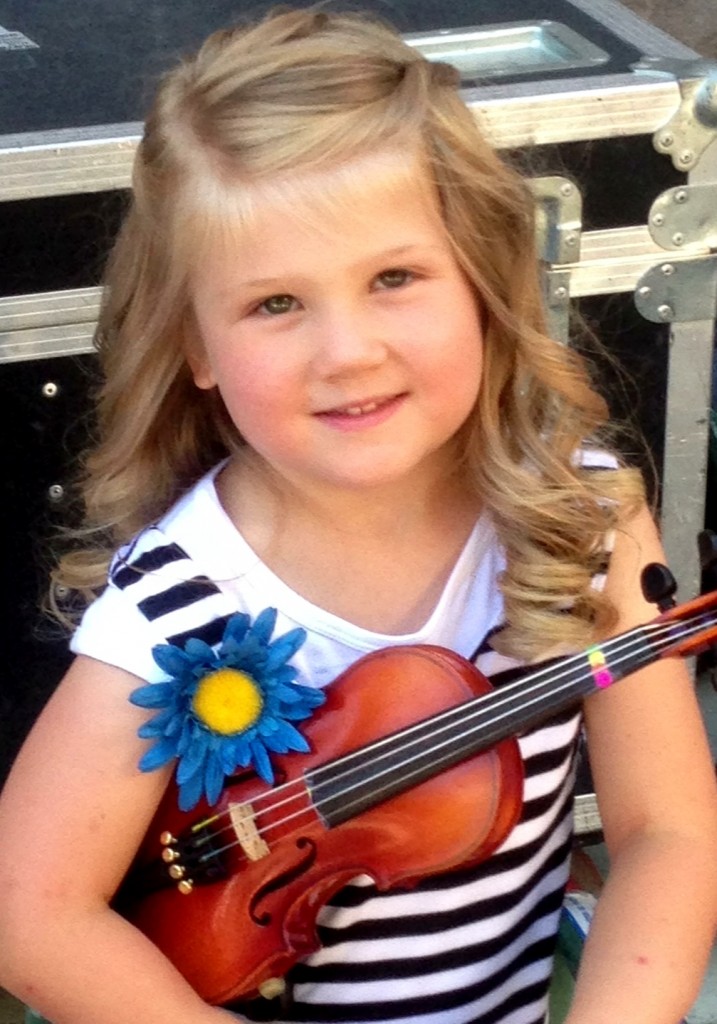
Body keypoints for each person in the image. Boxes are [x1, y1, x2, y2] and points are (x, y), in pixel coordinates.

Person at [0, 8, 716, 1024]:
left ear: (480, 279)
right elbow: (34, 914)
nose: (347, 351)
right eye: (275, 304)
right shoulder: (182, 598)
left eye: (395, 277)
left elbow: (666, 831)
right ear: (195, 346)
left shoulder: (579, 519)